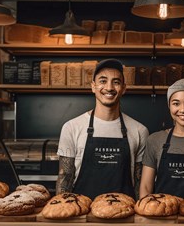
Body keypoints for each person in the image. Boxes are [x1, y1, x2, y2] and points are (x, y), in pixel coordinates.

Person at [56, 59, 149, 200]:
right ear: (93, 86)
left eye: (116, 82)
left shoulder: (139, 130)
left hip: (125, 213)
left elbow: (139, 182)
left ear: (124, 88)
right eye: (103, 81)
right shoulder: (72, 127)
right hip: (83, 214)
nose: (109, 87)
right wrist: (62, 212)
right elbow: (65, 177)